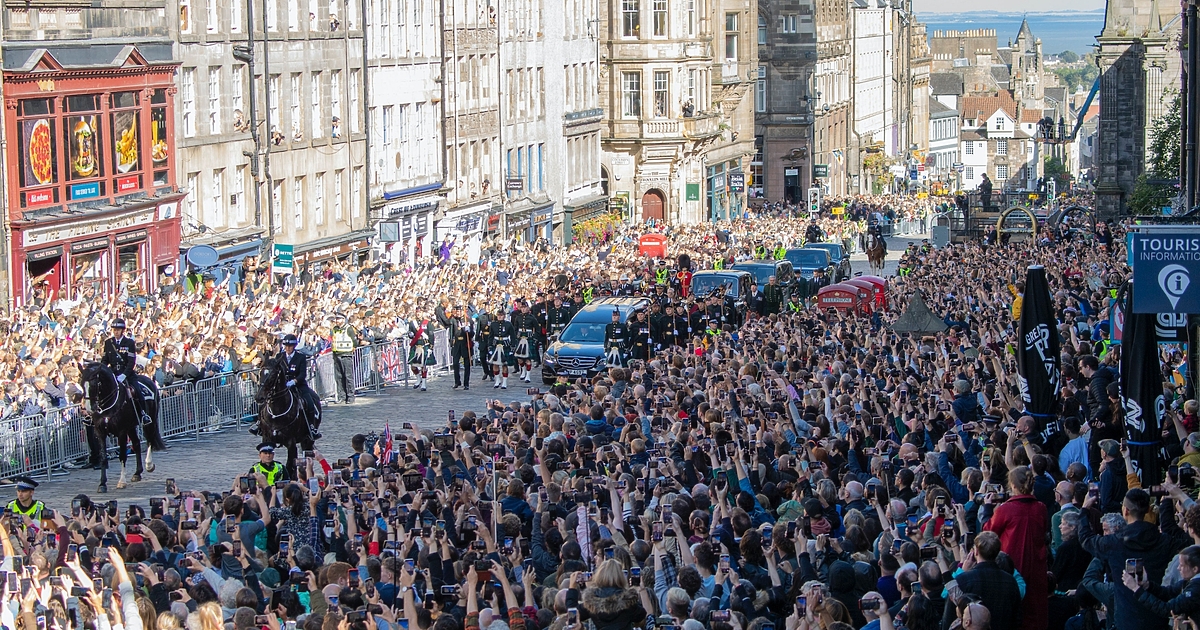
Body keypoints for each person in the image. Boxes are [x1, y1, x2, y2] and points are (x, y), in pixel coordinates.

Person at [1078, 488, 1187, 630]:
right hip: (1156, 615)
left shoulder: (1113, 543)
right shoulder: (1164, 541)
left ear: (1125, 511)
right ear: (1148, 510)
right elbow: (1190, 540)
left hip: (1126, 619)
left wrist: (1085, 509)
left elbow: (1085, 538)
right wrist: (1168, 501)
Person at [984, 466, 1050, 630]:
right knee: (1035, 610)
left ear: (1012, 485)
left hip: (1012, 565)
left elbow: (988, 533)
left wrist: (987, 509)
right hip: (1035, 567)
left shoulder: (1006, 509)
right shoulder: (1041, 508)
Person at [955, 531, 1023, 630]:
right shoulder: (1011, 581)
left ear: (976, 551)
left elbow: (952, 616)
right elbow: (1017, 618)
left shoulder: (964, 580)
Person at [101, 317, 151, 425]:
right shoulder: (108, 343)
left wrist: (124, 375)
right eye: (114, 330)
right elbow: (105, 360)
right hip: (113, 373)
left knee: (137, 391)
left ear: (122, 331)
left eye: (118, 330)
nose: (116, 332)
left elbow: (131, 361)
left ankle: (143, 413)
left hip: (126, 373)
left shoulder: (129, 342)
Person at [329, 313, 358, 404]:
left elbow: (354, 341)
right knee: (339, 377)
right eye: (336, 319)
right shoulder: (335, 329)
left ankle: (350, 396)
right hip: (336, 354)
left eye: (339, 319)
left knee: (348, 376)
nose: (337, 321)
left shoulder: (349, 328)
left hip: (346, 354)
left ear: (343, 319)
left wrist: (352, 348)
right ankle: (342, 396)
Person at [450, 306, 474, 390]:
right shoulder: (453, 320)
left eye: (460, 311)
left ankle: (466, 383)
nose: (458, 313)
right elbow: (452, 333)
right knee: (455, 363)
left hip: (465, 343)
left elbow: (472, 334)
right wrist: (451, 343)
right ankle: (457, 381)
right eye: (457, 311)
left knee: (467, 364)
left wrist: (468, 330)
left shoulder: (468, 320)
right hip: (457, 344)